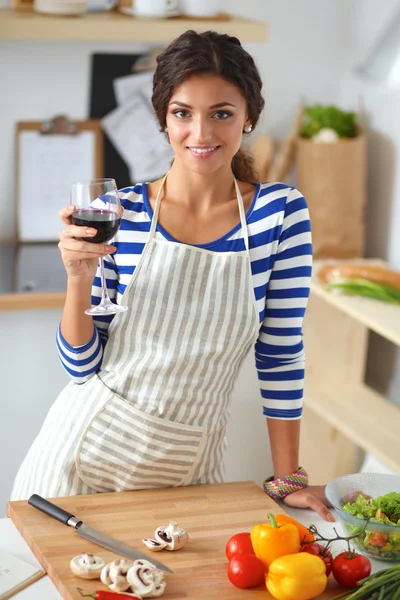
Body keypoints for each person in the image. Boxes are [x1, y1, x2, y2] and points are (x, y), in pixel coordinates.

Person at [11, 30, 333, 522]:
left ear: (249, 117)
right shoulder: (118, 212)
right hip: (78, 462)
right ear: (164, 118)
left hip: (187, 469)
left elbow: (281, 351)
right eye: (183, 113)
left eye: (221, 113)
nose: (200, 133)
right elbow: (80, 367)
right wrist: (78, 277)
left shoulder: (280, 213)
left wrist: (286, 479)